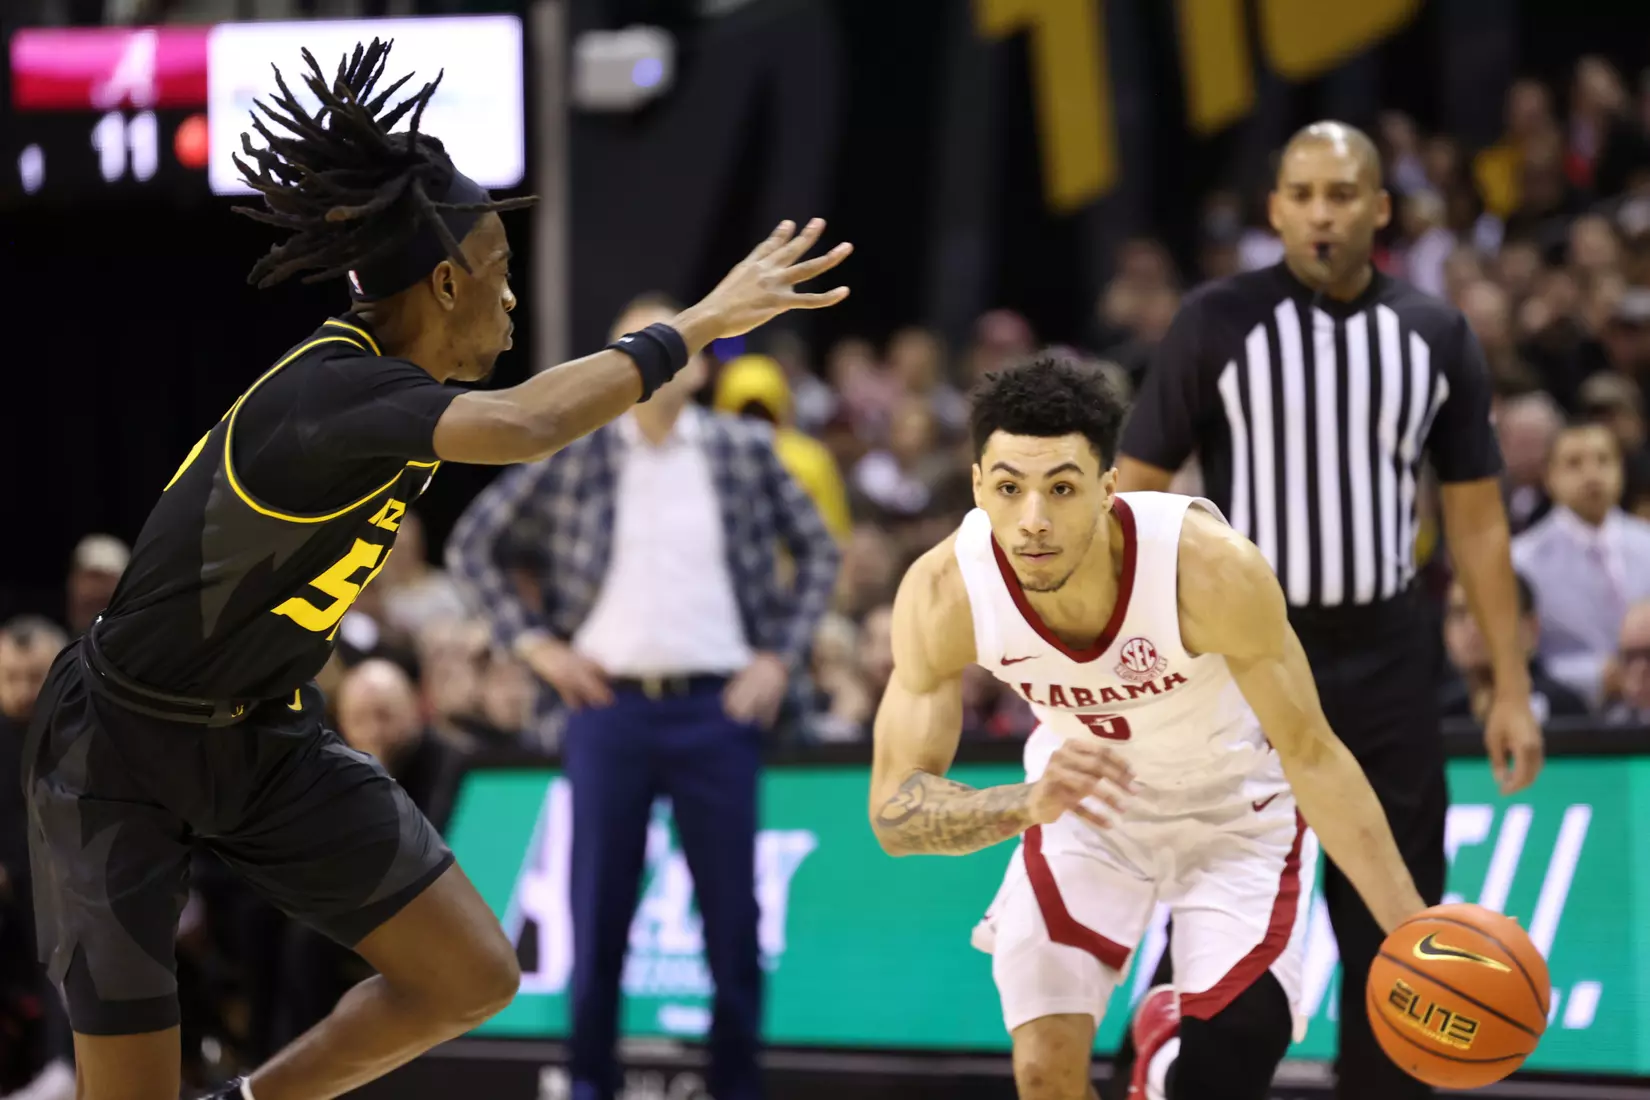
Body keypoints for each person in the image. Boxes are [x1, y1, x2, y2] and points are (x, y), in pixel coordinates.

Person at [21, 39, 850, 1100]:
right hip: (121, 745)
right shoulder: (332, 394)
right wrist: (694, 326)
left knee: (469, 974)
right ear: (447, 277)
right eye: (501, 279)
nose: (511, 307)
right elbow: (529, 422)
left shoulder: (394, 396)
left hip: (260, 729)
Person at [1114, 121, 1542, 1100]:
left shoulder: (1434, 332)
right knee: (1215, 940)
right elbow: (1129, 500)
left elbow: (1476, 525)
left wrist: (1509, 687)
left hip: (1390, 660)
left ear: (1381, 209)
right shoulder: (1215, 322)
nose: (1320, 211)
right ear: (1273, 209)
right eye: (1301, 193)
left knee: (1403, 945)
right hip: (1248, 664)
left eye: (1342, 193)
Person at [868, 358, 1428, 1100]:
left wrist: (1411, 931)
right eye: (1009, 488)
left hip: (1236, 812)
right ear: (978, 487)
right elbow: (895, 814)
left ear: (1108, 487)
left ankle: (1162, 1058)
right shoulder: (945, 592)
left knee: (1224, 1071)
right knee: (1042, 1072)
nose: (1032, 518)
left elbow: (1313, 754)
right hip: (1086, 813)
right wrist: (1025, 804)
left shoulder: (1208, 568)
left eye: (1061, 488)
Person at [448, 294, 840, 1100]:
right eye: (637, 343)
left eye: (674, 342)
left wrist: (779, 657)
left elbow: (820, 550)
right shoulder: (579, 452)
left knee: (734, 925)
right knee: (598, 920)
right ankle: (590, 1084)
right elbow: (472, 543)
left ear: (696, 363)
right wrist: (536, 645)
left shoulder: (742, 450)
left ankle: (738, 1087)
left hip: (718, 711)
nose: (660, 358)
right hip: (607, 711)